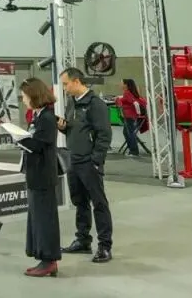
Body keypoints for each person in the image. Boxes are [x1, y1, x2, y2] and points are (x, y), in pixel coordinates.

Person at [57, 67, 113, 263]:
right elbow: (74, 130)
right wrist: (64, 128)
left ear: (76, 81)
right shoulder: (72, 103)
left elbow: (104, 134)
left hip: (89, 162)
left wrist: (96, 160)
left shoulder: (96, 104)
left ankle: (104, 246)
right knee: (79, 202)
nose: (64, 88)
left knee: (99, 203)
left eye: (66, 84)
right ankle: (83, 240)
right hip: (73, 160)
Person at [17, 77, 62, 278]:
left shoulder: (47, 118)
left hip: (43, 176)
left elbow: (39, 144)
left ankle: (49, 260)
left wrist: (20, 139)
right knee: (38, 218)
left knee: (45, 220)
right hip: (36, 174)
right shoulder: (38, 116)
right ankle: (43, 258)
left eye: (24, 96)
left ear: (34, 95)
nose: (23, 100)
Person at [116, 78, 146, 157]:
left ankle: (134, 151)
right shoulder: (129, 93)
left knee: (130, 133)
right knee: (126, 132)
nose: (120, 85)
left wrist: (118, 100)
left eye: (121, 83)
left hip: (129, 116)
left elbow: (133, 102)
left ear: (126, 85)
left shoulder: (127, 93)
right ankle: (131, 150)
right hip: (131, 115)